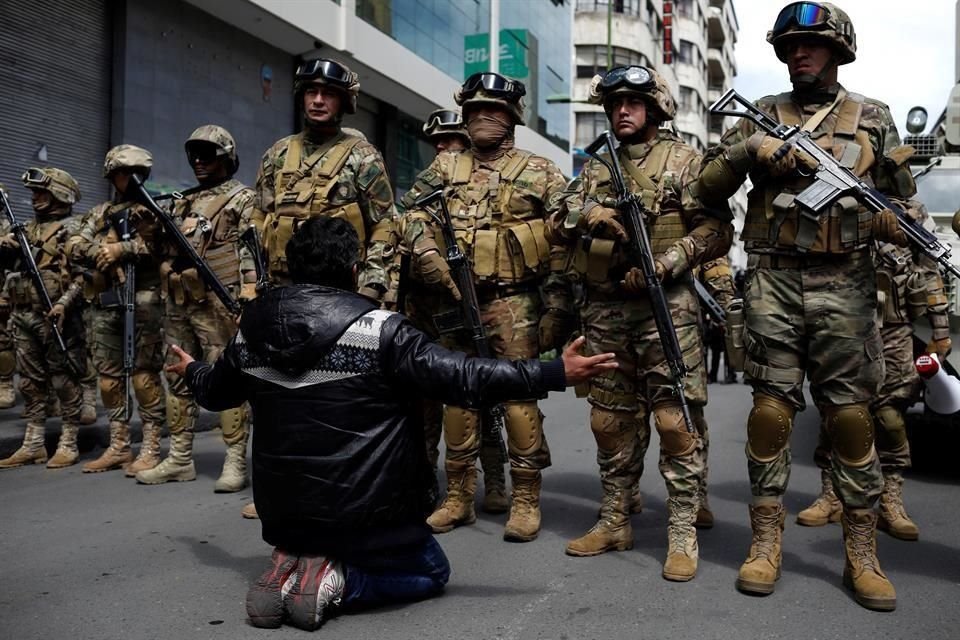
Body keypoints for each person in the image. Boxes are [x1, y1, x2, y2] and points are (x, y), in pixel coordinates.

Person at [166, 215, 617, 631]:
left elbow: (215, 392)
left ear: (290, 266)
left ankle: (296, 556)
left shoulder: (252, 331)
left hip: (281, 513)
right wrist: (556, 372)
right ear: (354, 268)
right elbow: (465, 376)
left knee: (313, 528)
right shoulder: (380, 330)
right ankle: (336, 580)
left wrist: (190, 370)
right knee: (429, 571)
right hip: (363, 515)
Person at [696, 1, 920, 610]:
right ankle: (765, 542)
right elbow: (704, 187)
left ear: (837, 49)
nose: (801, 53)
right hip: (772, 280)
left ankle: (860, 554)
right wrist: (753, 154)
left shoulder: (872, 116)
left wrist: (898, 228)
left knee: (850, 417)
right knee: (769, 413)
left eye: (813, 44)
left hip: (846, 282)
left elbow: (902, 200)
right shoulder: (761, 116)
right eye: (792, 45)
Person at [546, 66, 732, 579]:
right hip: (605, 310)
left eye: (632, 102)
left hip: (666, 308)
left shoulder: (685, 161)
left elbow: (717, 229)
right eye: (614, 103)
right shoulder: (596, 166)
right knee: (608, 420)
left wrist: (668, 262)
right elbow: (557, 214)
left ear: (654, 107)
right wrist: (587, 216)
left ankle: (681, 528)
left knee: (675, 421)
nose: (621, 110)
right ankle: (613, 518)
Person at [400, 72, 568, 541]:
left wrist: (557, 308)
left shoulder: (540, 170)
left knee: (518, 400)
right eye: (473, 111)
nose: (481, 119)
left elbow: (562, 242)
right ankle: (458, 497)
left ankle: (526, 499)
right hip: (454, 301)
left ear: (512, 117)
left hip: (514, 303)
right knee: (457, 396)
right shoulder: (443, 168)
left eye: (492, 110)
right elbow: (410, 215)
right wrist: (428, 252)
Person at [797, 228, 950, 540]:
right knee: (836, 412)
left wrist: (941, 331)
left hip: (895, 328)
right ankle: (832, 494)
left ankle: (891, 500)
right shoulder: (838, 198)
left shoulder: (911, 213)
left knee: (890, 415)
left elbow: (930, 270)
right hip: (842, 322)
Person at [135, 125, 254, 493]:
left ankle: (235, 460)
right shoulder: (179, 202)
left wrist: (250, 289)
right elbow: (161, 255)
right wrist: (150, 231)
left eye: (209, 154)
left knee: (226, 376)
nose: (200, 161)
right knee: (176, 374)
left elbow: (251, 246)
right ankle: (180, 458)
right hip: (179, 302)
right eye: (195, 155)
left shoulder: (241, 199)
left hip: (219, 302)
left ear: (227, 158)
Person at [251, 57, 397, 300]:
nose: (318, 100)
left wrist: (370, 289)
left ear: (343, 102)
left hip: (342, 295)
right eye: (311, 92)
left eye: (328, 94)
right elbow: (257, 218)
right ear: (302, 97)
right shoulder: (278, 153)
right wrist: (250, 279)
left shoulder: (363, 156)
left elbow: (384, 225)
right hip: (281, 289)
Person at [66, 145, 167, 474]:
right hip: (108, 302)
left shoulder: (155, 207)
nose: (129, 179)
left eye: (135, 173)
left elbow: (162, 245)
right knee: (109, 380)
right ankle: (119, 445)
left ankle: (151, 445)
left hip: (144, 302)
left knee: (143, 377)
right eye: (123, 173)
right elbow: (73, 244)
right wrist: (102, 249)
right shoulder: (99, 212)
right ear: (112, 176)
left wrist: (123, 248)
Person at [0, 169, 88, 470]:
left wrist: (64, 303)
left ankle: (69, 442)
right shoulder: (23, 229)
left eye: (42, 193)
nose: (35, 198)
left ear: (60, 195)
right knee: (29, 382)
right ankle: (34, 443)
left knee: (64, 380)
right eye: (34, 193)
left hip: (57, 316)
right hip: (24, 314)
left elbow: (83, 276)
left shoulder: (74, 229)